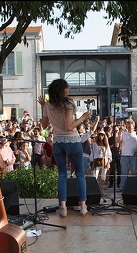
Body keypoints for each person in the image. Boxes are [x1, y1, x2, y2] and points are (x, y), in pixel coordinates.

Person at [38, 78, 91, 217]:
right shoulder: (69, 104)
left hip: (58, 141)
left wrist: (44, 107)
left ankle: (63, 207)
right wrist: (84, 117)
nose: (69, 89)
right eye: (67, 87)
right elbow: (69, 126)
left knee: (62, 174)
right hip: (72, 140)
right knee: (80, 173)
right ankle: (83, 205)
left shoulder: (48, 105)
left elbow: (43, 126)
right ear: (62, 90)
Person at [115, 119, 137, 192]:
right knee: (124, 172)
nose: (128, 126)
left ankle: (134, 186)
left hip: (133, 156)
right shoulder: (123, 134)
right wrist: (119, 133)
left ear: (133, 126)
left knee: (134, 172)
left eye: (130, 125)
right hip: (124, 155)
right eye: (127, 125)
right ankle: (122, 186)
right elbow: (117, 141)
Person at [90, 131, 112, 195]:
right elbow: (92, 153)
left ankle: (102, 190)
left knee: (103, 176)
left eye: (102, 135)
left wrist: (108, 163)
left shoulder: (106, 145)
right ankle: (94, 190)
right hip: (96, 162)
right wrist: (92, 162)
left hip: (104, 162)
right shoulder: (94, 144)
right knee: (94, 176)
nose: (101, 136)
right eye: (100, 135)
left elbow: (109, 154)